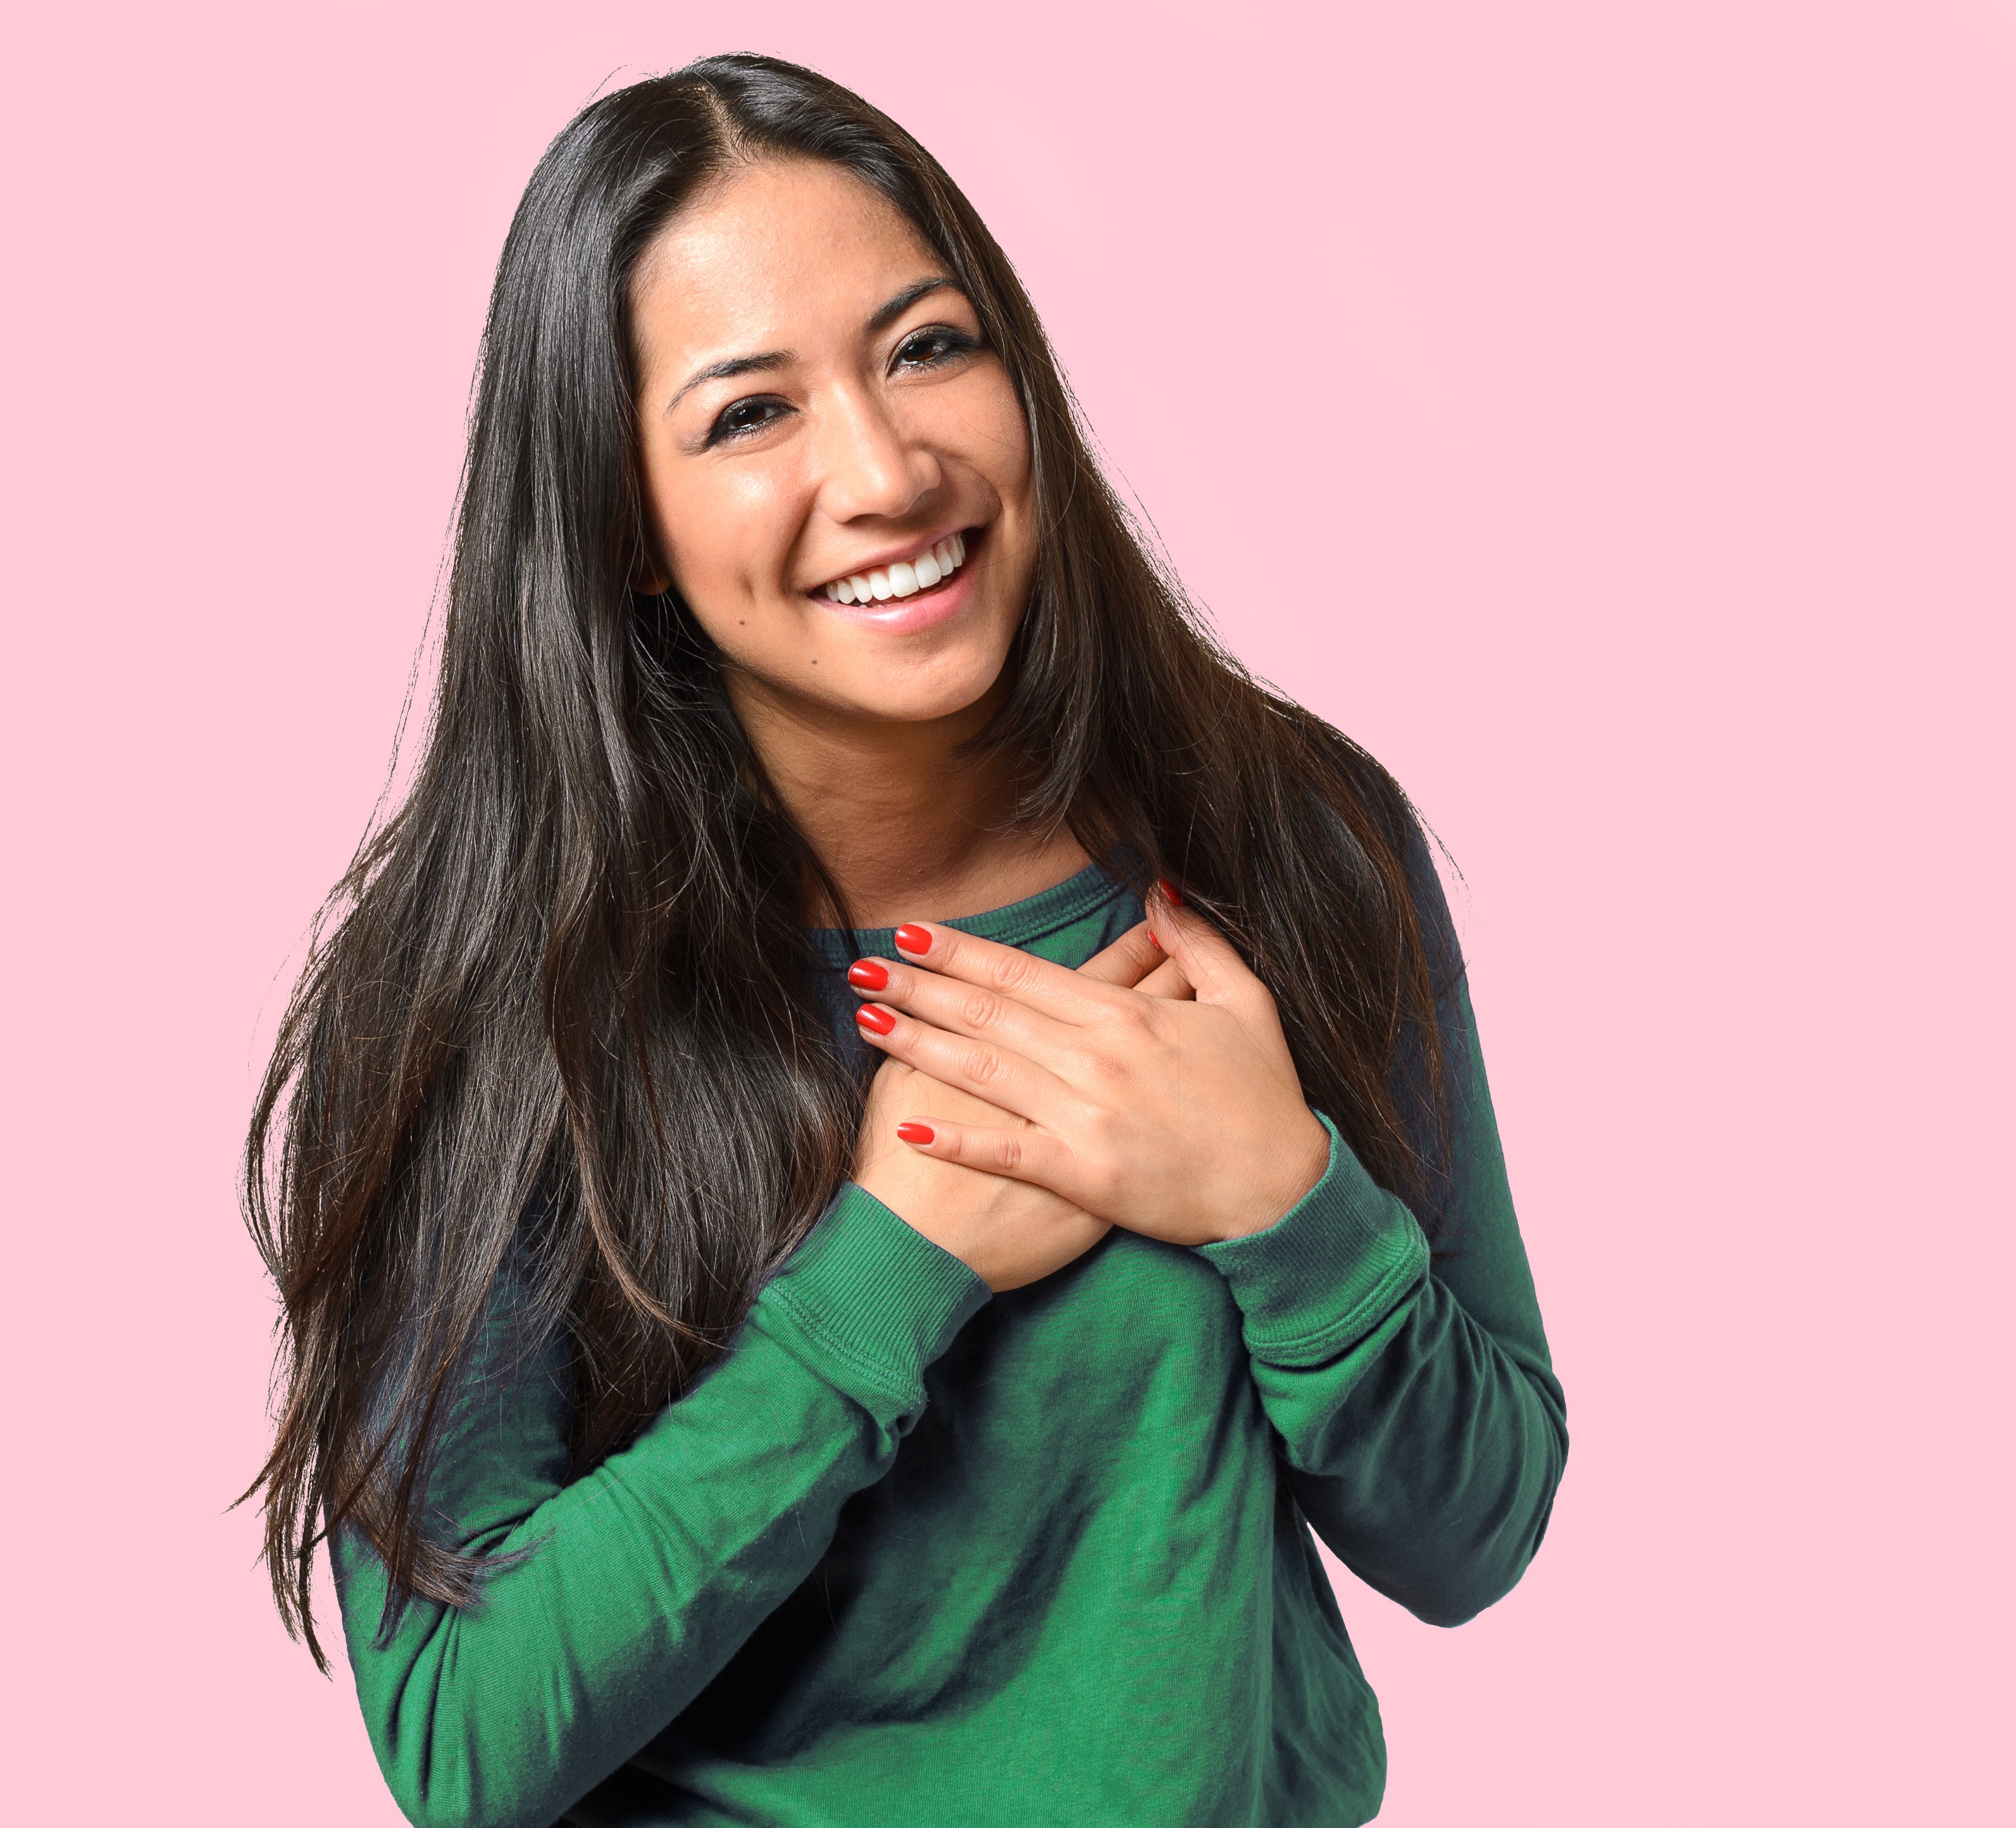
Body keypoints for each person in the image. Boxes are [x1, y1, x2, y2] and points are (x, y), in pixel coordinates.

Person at [244, 53, 1564, 1828]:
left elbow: (1474, 1531)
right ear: (623, 526)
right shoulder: (489, 998)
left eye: (927, 346)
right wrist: (889, 1269)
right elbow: (466, 1741)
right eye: (746, 414)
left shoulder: (1283, 842)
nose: (881, 469)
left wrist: (1277, 1194)